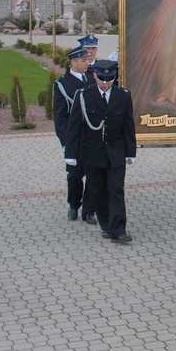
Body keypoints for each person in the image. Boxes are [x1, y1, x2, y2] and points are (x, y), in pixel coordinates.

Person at [65, 60, 137, 243]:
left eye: (110, 79)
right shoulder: (83, 96)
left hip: (116, 152)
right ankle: (106, 225)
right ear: (95, 75)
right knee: (98, 191)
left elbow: (128, 125)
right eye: (102, 79)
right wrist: (70, 155)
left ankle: (119, 229)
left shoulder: (123, 96)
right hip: (92, 153)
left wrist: (130, 152)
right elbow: (74, 127)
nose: (106, 84)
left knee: (116, 189)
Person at [53, 46, 96, 225]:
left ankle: (89, 210)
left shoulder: (91, 79)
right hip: (75, 138)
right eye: (83, 60)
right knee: (75, 175)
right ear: (73, 62)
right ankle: (73, 204)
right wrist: (65, 142)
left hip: (92, 136)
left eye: (87, 60)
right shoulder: (62, 84)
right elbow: (60, 117)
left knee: (94, 175)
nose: (87, 63)